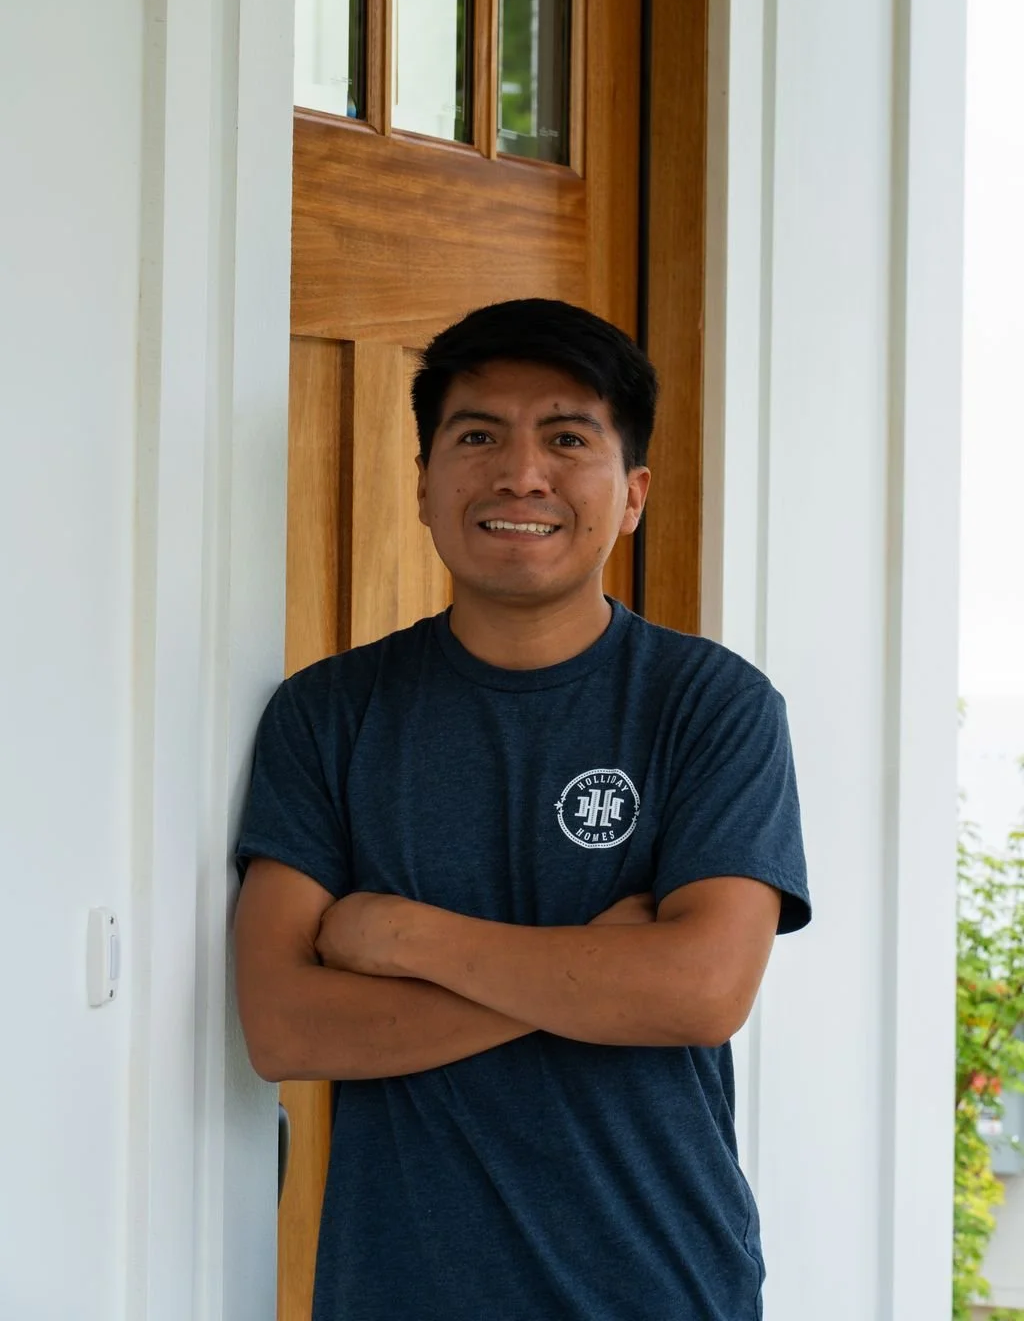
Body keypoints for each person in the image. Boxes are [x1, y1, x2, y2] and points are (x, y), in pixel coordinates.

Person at [234, 298, 811, 1321]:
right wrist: (593, 969)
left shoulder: (711, 706)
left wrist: (399, 933)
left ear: (630, 495)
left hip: (661, 1286)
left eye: (565, 437)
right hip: (398, 1293)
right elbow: (284, 1025)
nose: (520, 474)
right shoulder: (327, 715)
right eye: (477, 436)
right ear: (422, 486)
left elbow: (698, 992)